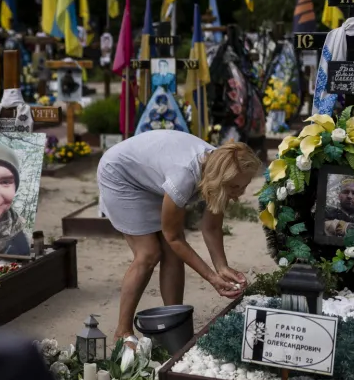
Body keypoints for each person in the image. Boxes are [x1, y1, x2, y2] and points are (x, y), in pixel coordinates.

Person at [97, 131, 260, 344]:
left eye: (244, 186)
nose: (240, 193)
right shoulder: (185, 176)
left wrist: (222, 267)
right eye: (235, 187)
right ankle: (123, 331)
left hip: (150, 175)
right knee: (148, 253)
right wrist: (211, 277)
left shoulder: (221, 172)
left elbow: (211, 228)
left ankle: (172, 322)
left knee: (173, 255)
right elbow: (173, 236)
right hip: (120, 174)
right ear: (222, 178)